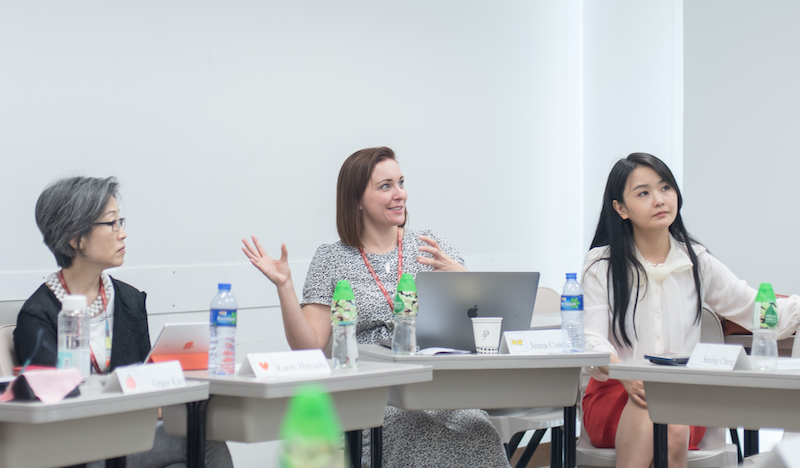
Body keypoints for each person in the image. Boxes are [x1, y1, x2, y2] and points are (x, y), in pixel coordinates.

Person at [242, 147, 511, 467]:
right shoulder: (331, 258)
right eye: (385, 186)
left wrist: (462, 278)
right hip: (372, 395)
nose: (400, 194)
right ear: (356, 199)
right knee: (421, 437)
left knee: (480, 432)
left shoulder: (429, 245)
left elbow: (482, 327)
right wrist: (284, 286)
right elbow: (308, 346)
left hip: (438, 390)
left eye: (401, 182)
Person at [581, 153, 800, 467]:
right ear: (621, 208)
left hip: (683, 398)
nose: (659, 200)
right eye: (643, 193)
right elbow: (592, 340)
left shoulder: (697, 261)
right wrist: (627, 377)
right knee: (652, 406)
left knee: (667, 411)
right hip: (616, 392)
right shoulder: (601, 265)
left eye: (666, 188)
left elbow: (757, 309)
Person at [14, 176, 233, 468]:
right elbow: (50, 410)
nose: (123, 234)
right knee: (196, 441)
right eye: (111, 223)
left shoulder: (129, 300)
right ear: (75, 238)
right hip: (73, 449)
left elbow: (143, 379)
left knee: (192, 451)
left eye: (121, 222)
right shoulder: (38, 316)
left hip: (128, 437)